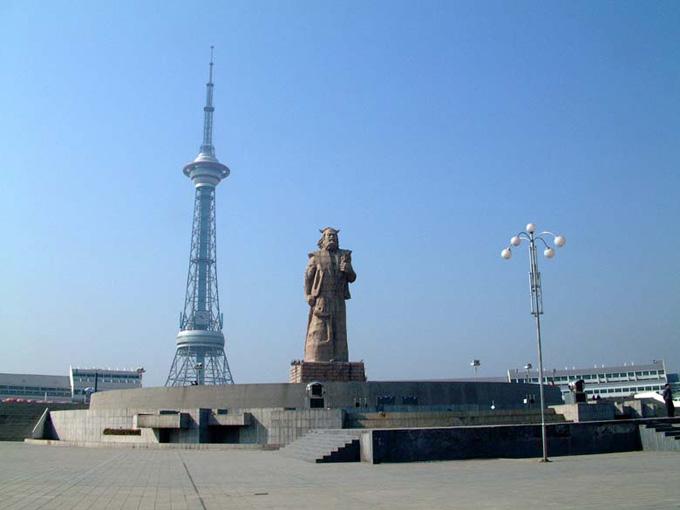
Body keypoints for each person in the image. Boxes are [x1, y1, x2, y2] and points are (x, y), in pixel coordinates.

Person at [304, 228, 356, 362]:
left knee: (339, 332)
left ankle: (339, 359)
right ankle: (316, 359)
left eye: (334, 236)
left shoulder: (344, 256)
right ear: (323, 239)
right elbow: (308, 278)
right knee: (319, 331)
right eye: (329, 236)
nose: (332, 238)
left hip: (338, 300)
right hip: (321, 300)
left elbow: (352, 278)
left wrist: (349, 270)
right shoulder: (316, 257)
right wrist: (308, 295)